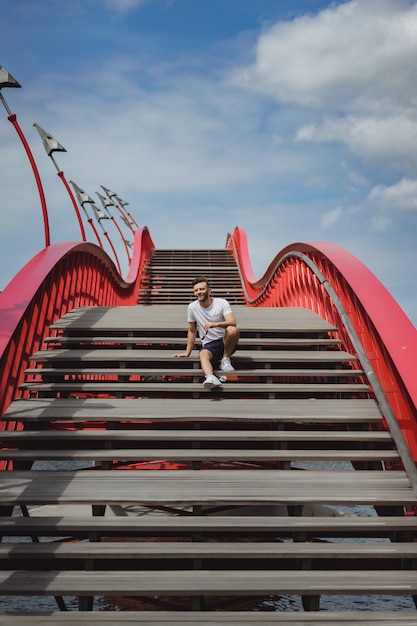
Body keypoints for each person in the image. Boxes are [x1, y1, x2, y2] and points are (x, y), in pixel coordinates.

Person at [173, 276, 239, 390]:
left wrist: (216, 324)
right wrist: (187, 352)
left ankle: (225, 359)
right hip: (209, 343)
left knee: (232, 330)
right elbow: (192, 330)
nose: (199, 292)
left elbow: (232, 322)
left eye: (202, 289)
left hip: (226, 340)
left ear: (209, 290)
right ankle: (210, 377)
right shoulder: (192, 307)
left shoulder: (221, 303)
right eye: (196, 290)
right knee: (203, 354)